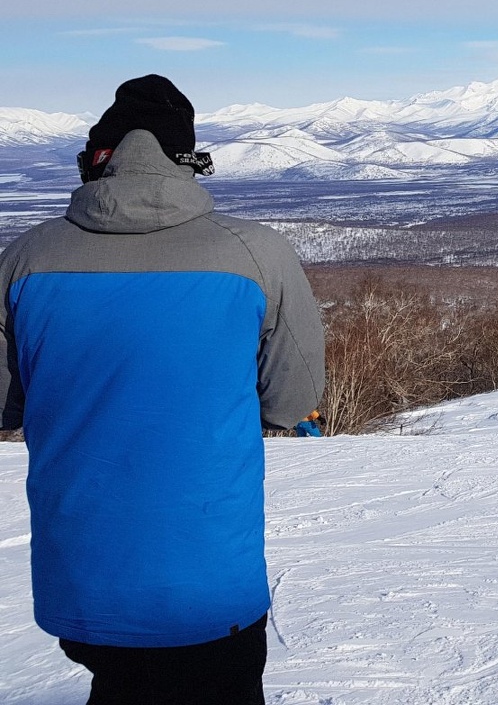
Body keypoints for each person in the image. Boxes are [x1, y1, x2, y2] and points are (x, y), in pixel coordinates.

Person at [0, 75, 325, 705]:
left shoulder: (26, 257)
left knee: (118, 684)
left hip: (82, 580)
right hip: (210, 580)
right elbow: (292, 399)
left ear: (98, 159)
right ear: (189, 161)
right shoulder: (256, 254)